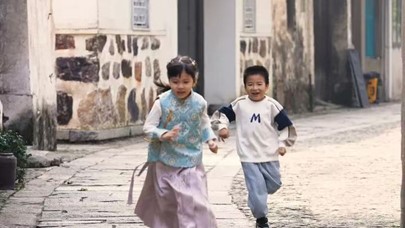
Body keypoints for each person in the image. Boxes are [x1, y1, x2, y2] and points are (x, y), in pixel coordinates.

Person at [133, 55, 218, 228]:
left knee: (195, 201)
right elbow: (148, 127)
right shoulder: (162, 102)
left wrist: (210, 140)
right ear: (169, 81)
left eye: (186, 82)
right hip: (166, 161)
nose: (180, 86)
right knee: (168, 204)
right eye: (175, 81)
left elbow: (204, 123)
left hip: (191, 161)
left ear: (194, 81)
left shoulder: (199, 102)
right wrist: (163, 134)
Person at [210, 65, 297, 228]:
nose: (255, 88)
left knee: (274, 184)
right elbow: (222, 116)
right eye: (250, 84)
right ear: (245, 86)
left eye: (259, 84)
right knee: (257, 190)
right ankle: (261, 219)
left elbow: (286, 126)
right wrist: (222, 128)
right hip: (248, 156)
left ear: (266, 86)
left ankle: (257, 195)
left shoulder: (272, 105)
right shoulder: (240, 104)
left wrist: (282, 144)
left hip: (269, 154)